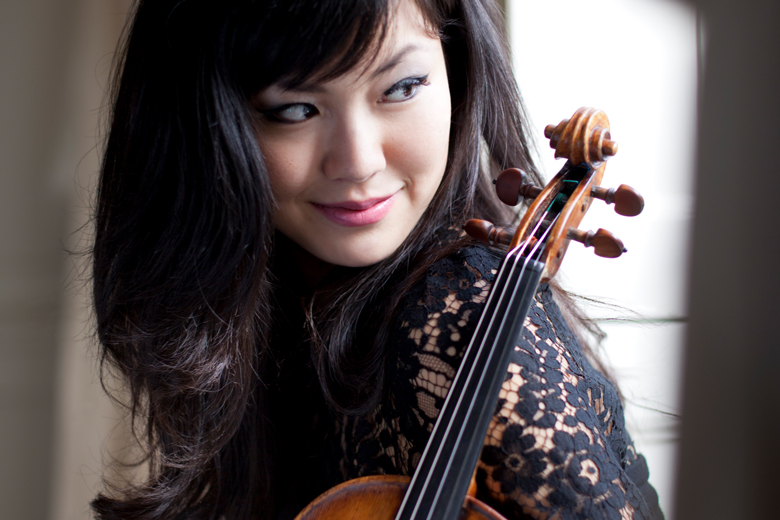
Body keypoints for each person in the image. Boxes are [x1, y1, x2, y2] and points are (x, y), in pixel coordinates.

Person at [90, 0, 664, 519]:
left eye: (402, 86)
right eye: (295, 110)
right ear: (200, 126)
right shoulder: (282, 304)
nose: (359, 161)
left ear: (457, 68)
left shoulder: (453, 321)